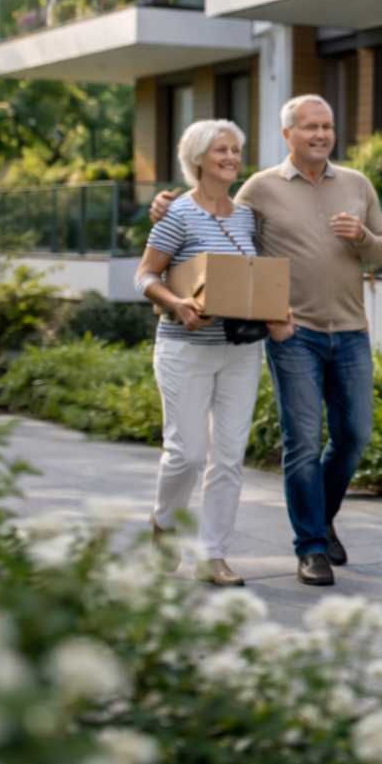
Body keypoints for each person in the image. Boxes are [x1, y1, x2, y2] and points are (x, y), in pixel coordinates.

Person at [152, 96, 382, 586]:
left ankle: (320, 517)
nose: (322, 135)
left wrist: (363, 238)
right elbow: (210, 215)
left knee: (354, 437)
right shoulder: (259, 189)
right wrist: (164, 205)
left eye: (327, 126)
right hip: (291, 333)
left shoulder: (357, 184)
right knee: (299, 443)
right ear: (289, 135)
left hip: (350, 332)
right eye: (310, 127)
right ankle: (310, 546)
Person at [137, 119, 293, 587]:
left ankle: (214, 554)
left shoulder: (247, 216)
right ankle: (164, 525)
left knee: (227, 456)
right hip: (186, 349)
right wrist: (177, 304)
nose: (230, 157)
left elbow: (254, 280)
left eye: (235, 150)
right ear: (199, 158)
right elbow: (145, 276)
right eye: (221, 150)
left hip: (241, 351)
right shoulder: (178, 214)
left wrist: (276, 314)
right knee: (185, 453)